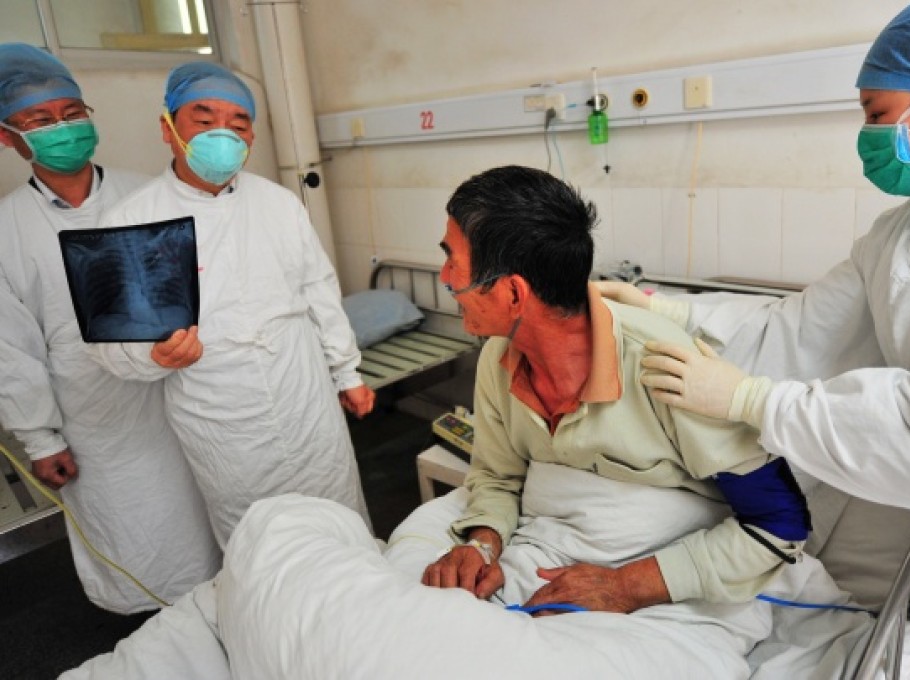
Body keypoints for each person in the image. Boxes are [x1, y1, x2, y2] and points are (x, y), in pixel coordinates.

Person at [601, 1, 910, 675]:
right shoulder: (898, 234)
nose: (867, 136)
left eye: (879, 115)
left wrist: (758, 402)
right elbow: (797, 327)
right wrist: (665, 310)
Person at [421, 164, 811, 615]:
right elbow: (497, 477)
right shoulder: (498, 358)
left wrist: (627, 586)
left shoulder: (668, 368)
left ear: (513, 293)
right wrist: (483, 544)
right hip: (549, 545)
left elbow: (780, 523)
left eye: (453, 260)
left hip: (661, 569)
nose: (445, 277)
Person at [87, 62, 375, 547]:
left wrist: (347, 372)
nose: (223, 133)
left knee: (337, 515)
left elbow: (318, 289)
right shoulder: (130, 222)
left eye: (238, 123)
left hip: (302, 394)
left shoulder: (279, 202)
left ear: (251, 138)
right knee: (257, 539)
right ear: (168, 128)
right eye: (203, 120)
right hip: (220, 411)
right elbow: (108, 344)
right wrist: (153, 356)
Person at [0, 43, 220, 613]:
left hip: (177, 388)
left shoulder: (149, 192)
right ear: (8, 138)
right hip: (94, 416)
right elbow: (10, 348)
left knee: (203, 511)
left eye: (72, 114)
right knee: (133, 527)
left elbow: (201, 282)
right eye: (41, 121)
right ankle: (151, 627)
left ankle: (223, 609)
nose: (63, 128)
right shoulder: (7, 229)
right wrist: (40, 438)